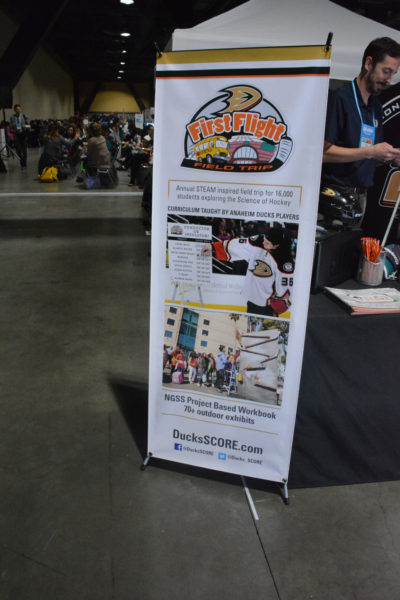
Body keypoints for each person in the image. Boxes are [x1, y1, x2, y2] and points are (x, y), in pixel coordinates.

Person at [322, 37, 400, 219]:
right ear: (369, 63)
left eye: (393, 74)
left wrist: (391, 157)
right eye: (386, 71)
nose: (389, 80)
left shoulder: (376, 107)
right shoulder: (341, 98)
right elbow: (323, 153)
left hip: (361, 199)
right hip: (333, 197)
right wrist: (370, 152)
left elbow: (371, 155)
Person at [201, 227, 294, 317]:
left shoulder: (285, 262)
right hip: (251, 301)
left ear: (276, 245)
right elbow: (239, 245)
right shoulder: (259, 240)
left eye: (268, 243)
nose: (264, 242)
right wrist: (213, 246)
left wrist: (273, 309)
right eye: (265, 238)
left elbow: (287, 292)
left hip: (267, 307)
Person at [9, 104, 30, 168]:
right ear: (15, 110)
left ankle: (24, 163)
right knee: (18, 150)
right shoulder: (12, 117)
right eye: (17, 109)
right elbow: (10, 126)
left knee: (24, 150)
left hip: (23, 134)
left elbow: (29, 125)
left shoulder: (25, 116)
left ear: (21, 109)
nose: (18, 110)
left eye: (19, 109)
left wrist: (24, 126)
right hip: (17, 135)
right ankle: (21, 160)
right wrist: (14, 125)